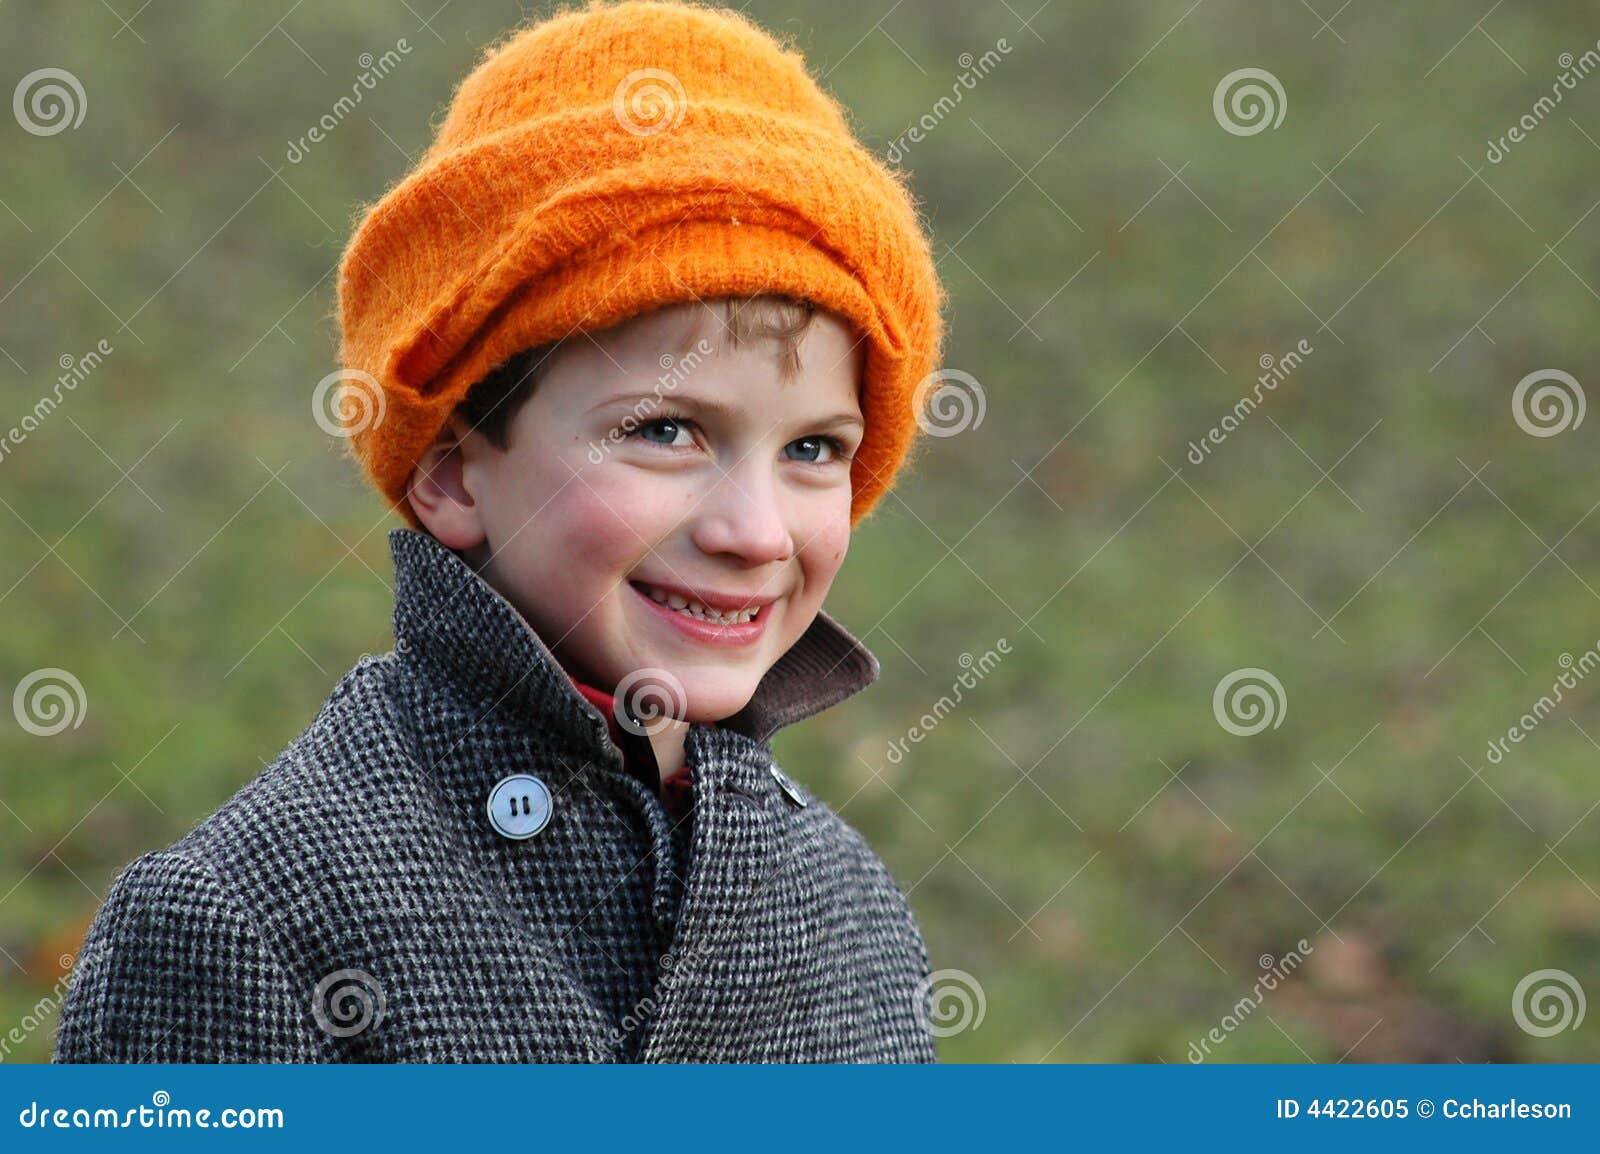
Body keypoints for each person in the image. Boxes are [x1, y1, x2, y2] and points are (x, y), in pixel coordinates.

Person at [54, 0, 947, 1062]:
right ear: (452, 474)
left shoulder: (847, 916)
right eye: (664, 430)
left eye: (813, 449)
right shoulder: (242, 921)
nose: (756, 530)